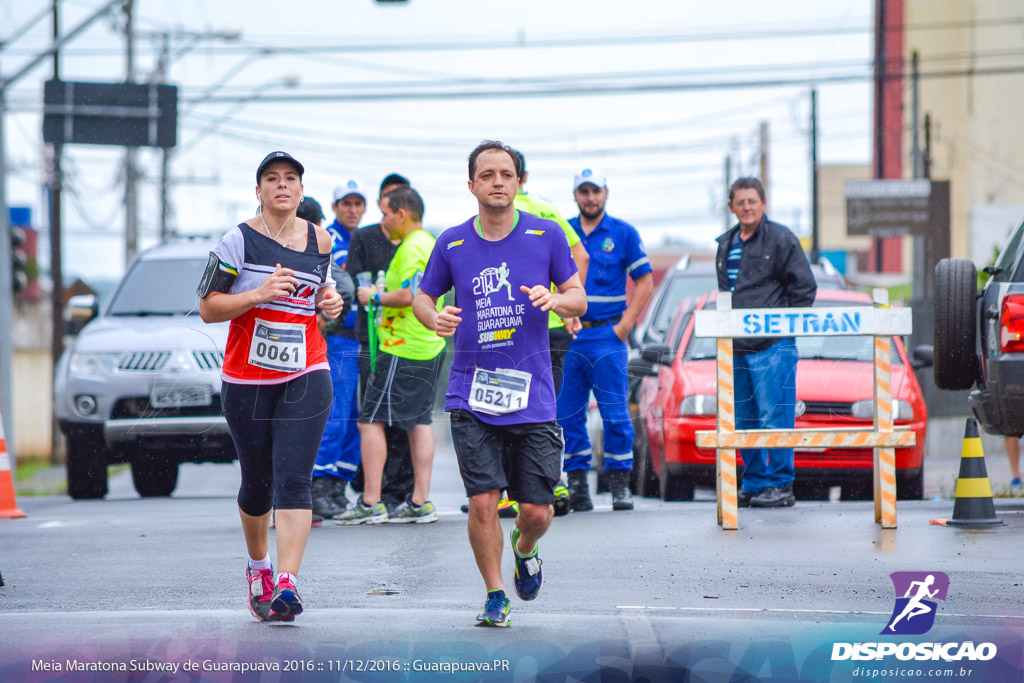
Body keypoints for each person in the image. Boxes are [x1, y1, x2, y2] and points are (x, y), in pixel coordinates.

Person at [413, 140, 586, 627]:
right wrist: (434, 317)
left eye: (506, 174)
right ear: (472, 185)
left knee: (536, 511)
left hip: (532, 396)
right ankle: (494, 594)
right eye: (486, 174)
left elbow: (579, 298)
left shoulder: (546, 235)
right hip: (471, 391)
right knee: (484, 500)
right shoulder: (451, 242)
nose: (497, 182)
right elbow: (423, 299)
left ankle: (525, 549)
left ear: (518, 182)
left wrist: (557, 302)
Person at [198, 151, 344, 622]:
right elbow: (208, 307)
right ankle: (259, 567)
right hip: (247, 377)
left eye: (291, 179)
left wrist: (331, 301)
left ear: (301, 190)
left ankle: (287, 582)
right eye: (272, 179)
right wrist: (257, 294)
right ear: (257, 190)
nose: (282, 185)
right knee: (258, 484)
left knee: (295, 478)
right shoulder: (237, 241)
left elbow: (320, 294)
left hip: (307, 369)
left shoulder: (322, 239)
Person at [335, 185, 445, 524]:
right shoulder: (426, 243)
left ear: (402, 213)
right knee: (417, 422)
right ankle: (419, 501)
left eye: (385, 214)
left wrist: (374, 297)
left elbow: (413, 293)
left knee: (370, 422)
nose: (383, 222)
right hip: (425, 344)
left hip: (402, 347)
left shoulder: (414, 246)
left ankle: (371, 502)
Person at [715, 177, 816, 508]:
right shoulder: (726, 243)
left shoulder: (781, 238)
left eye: (752, 201)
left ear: (764, 203)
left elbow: (804, 288)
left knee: (776, 415)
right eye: (740, 202)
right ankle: (756, 482)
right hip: (737, 344)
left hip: (773, 344)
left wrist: (782, 327)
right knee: (743, 418)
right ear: (731, 207)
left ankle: (781, 485)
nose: (746, 207)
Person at [557, 168, 653, 512]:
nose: (590, 197)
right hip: (570, 336)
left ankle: (618, 483)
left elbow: (645, 281)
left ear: (605, 193)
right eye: (583, 191)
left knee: (614, 412)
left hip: (608, 336)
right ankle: (578, 483)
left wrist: (624, 327)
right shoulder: (561, 231)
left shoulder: (623, 233)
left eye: (595, 191)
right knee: (567, 414)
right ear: (575, 196)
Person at [512, 149, 589, 517]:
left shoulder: (497, 213)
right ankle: (551, 482)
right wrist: (568, 304)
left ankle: (510, 488)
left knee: (507, 405)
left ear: (514, 179)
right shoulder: (548, 210)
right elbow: (582, 256)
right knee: (547, 407)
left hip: (509, 328)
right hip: (554, 324)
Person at [344, 174, 416, 513]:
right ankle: (373, 488)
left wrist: (382, 295)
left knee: (404, 419)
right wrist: (374, 295)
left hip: (408, 341)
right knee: (372, 417)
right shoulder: (365, 237)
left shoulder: (416, 243)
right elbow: (359, 286)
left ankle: (400, 491)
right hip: (371, 339)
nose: (391, 211)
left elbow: (415, 292)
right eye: (388, 203)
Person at [309, 181, 366, 519]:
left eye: (358, 203)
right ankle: (319, 485)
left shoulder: (362, 239)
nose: (353, 209)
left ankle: (339, 485)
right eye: (346, 203)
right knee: (336, 412)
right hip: (338, 337)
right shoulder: (326, 238)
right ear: (335, 207)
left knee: (356, 416)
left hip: (362, 337)